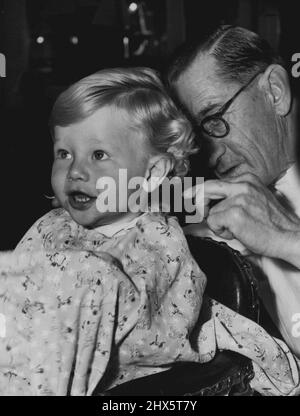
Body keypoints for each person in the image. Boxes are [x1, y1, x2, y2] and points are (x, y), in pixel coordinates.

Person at [0, 67, 299, 396]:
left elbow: (161, 330)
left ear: (153, 172)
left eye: (99, 155)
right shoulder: (50, 226)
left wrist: (88, 288)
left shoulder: (158, 240)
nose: (75, 171)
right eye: (64, 153)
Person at [167, 25, 300, 356]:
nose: (211, 155)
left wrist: (287, 238)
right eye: (199, 136)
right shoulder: (214, 228)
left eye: (214, 119)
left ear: (275, 91)